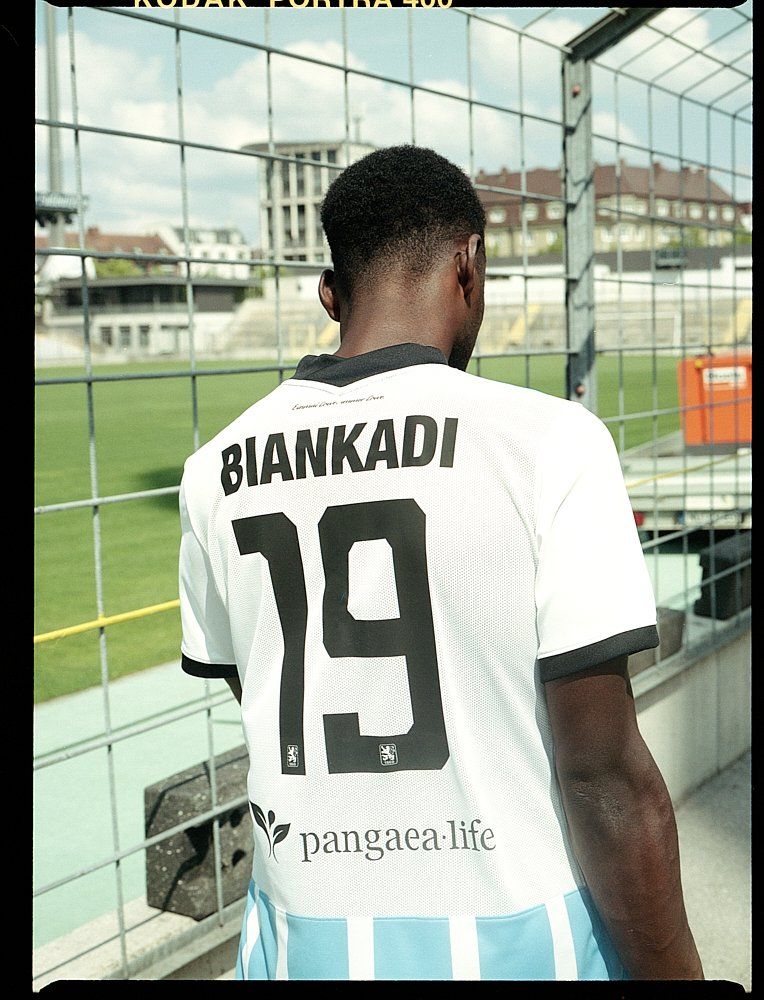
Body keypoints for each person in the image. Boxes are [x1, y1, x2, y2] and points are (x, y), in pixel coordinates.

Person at [177, 145, 703, 981]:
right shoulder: (551, 445)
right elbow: (604, 777)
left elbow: (269, 687)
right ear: (470, 264)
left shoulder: (214, 472)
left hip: (303, 950)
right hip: (523, 948)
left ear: (329, 293)